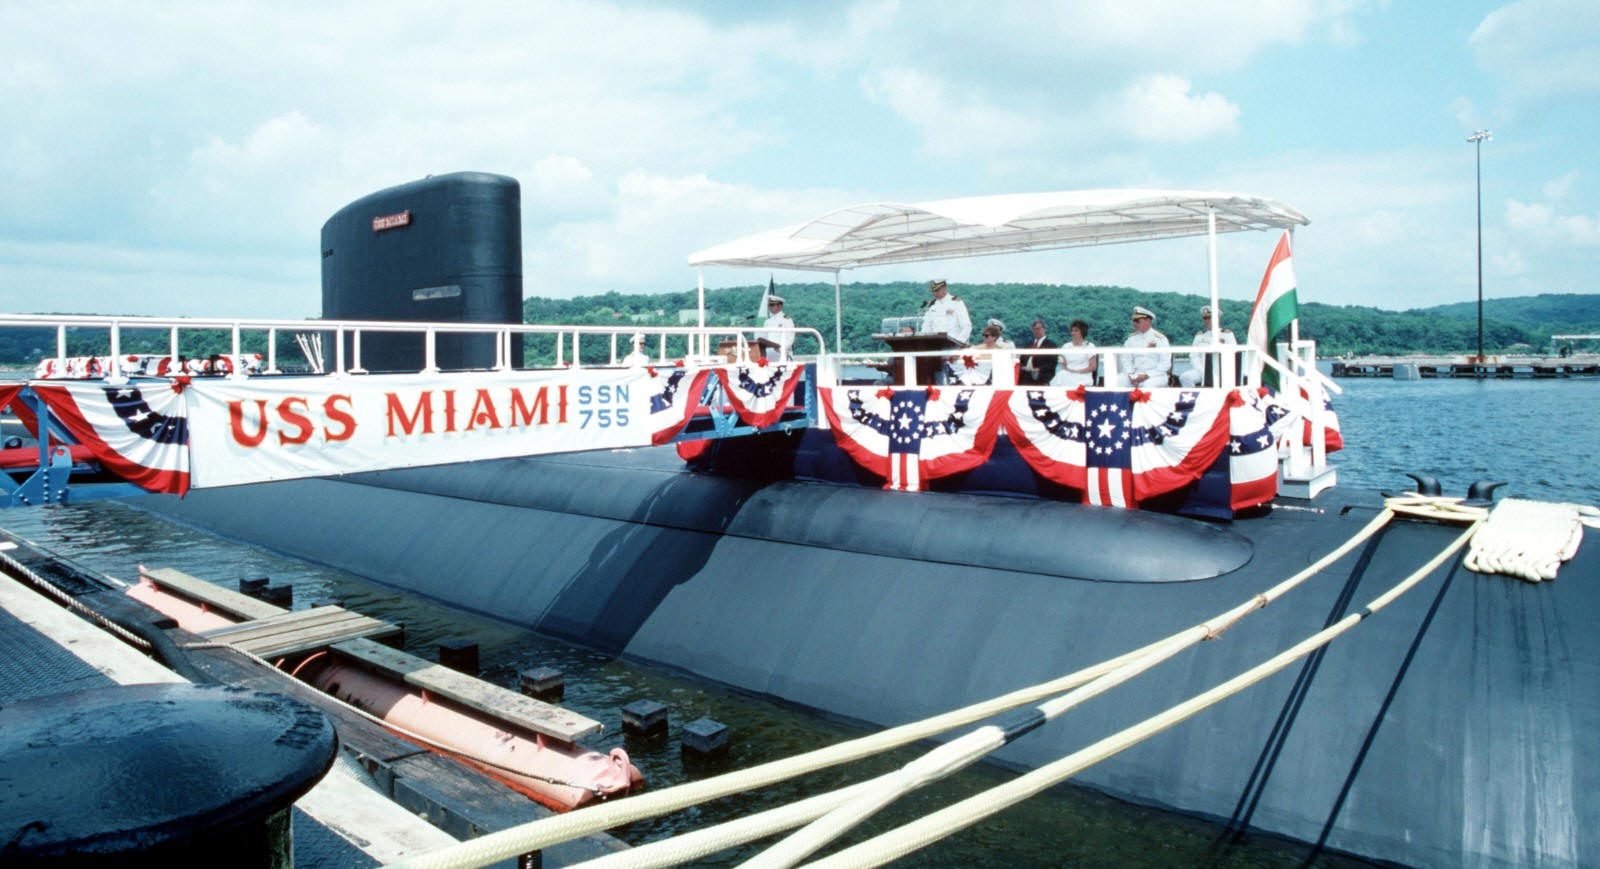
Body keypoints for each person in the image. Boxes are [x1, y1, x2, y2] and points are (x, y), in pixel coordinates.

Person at [1179, 305, 1237, 387]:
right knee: (1185, 377)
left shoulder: (1227, 334)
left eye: (1210, 318)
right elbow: (1194, 356)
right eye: (1205, 318)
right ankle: (1194, 398)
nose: (1207, 321)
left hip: (1222, 370)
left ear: (1218, 319)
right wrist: (1202, 370)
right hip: (1201, 370)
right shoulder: (1199, 336)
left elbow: (1233, 355)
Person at [1119, 305, 1170, 387]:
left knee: (1149, 384)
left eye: (1137, 321)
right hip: (1136, 373)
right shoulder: (1131, 339)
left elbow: (1165, 363)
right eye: (1133, 321)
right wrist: (1130, 374)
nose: (1134, 323)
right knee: (1118, 381)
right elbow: (1126, 359)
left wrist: (1147, 375)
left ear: (1148, 321)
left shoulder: (1160, 339)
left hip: (1156, 375)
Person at [920, 279, 971, 345]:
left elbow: (966, 326)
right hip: (935, 345)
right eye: (933, 290)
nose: (935, 293)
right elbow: (926, 328)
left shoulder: (956, 302)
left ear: (945, 288)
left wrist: (958, 343)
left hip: (953, 344)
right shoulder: (932, 305)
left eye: (937, 290)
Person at [1051, 319, 1097, 388]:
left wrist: (1078, 371)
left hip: (1083, 376)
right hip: (1068, 375)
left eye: (1076, 330)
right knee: (1061, 375)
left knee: (1062, 377)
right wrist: (1070, 371)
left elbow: (1093, 367)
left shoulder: (1090, 346)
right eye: (1072, 330)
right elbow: (1064, 366)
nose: (1073, 333)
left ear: (1082, 332)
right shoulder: (1066, 346)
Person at [1018, 318, 1058, 385]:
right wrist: (1023, 367)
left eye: (1038, 329)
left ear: (1044, 329)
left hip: (1042, 375)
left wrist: (1039, 369)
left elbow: (1052, 364)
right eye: (1034, 329)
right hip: (1025, 375)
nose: (1036, 331)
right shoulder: (1027, 345)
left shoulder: (1051, 345)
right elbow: (1021, 360)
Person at [760, 294, 794, 361]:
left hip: (781, 352)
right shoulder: (768, 321)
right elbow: (764, 337)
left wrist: (782, 349)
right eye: (769, 305)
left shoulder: (786, 320)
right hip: (769, 352)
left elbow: (790, 338)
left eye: (772, 305)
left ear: (779, 306)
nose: (770, 307)